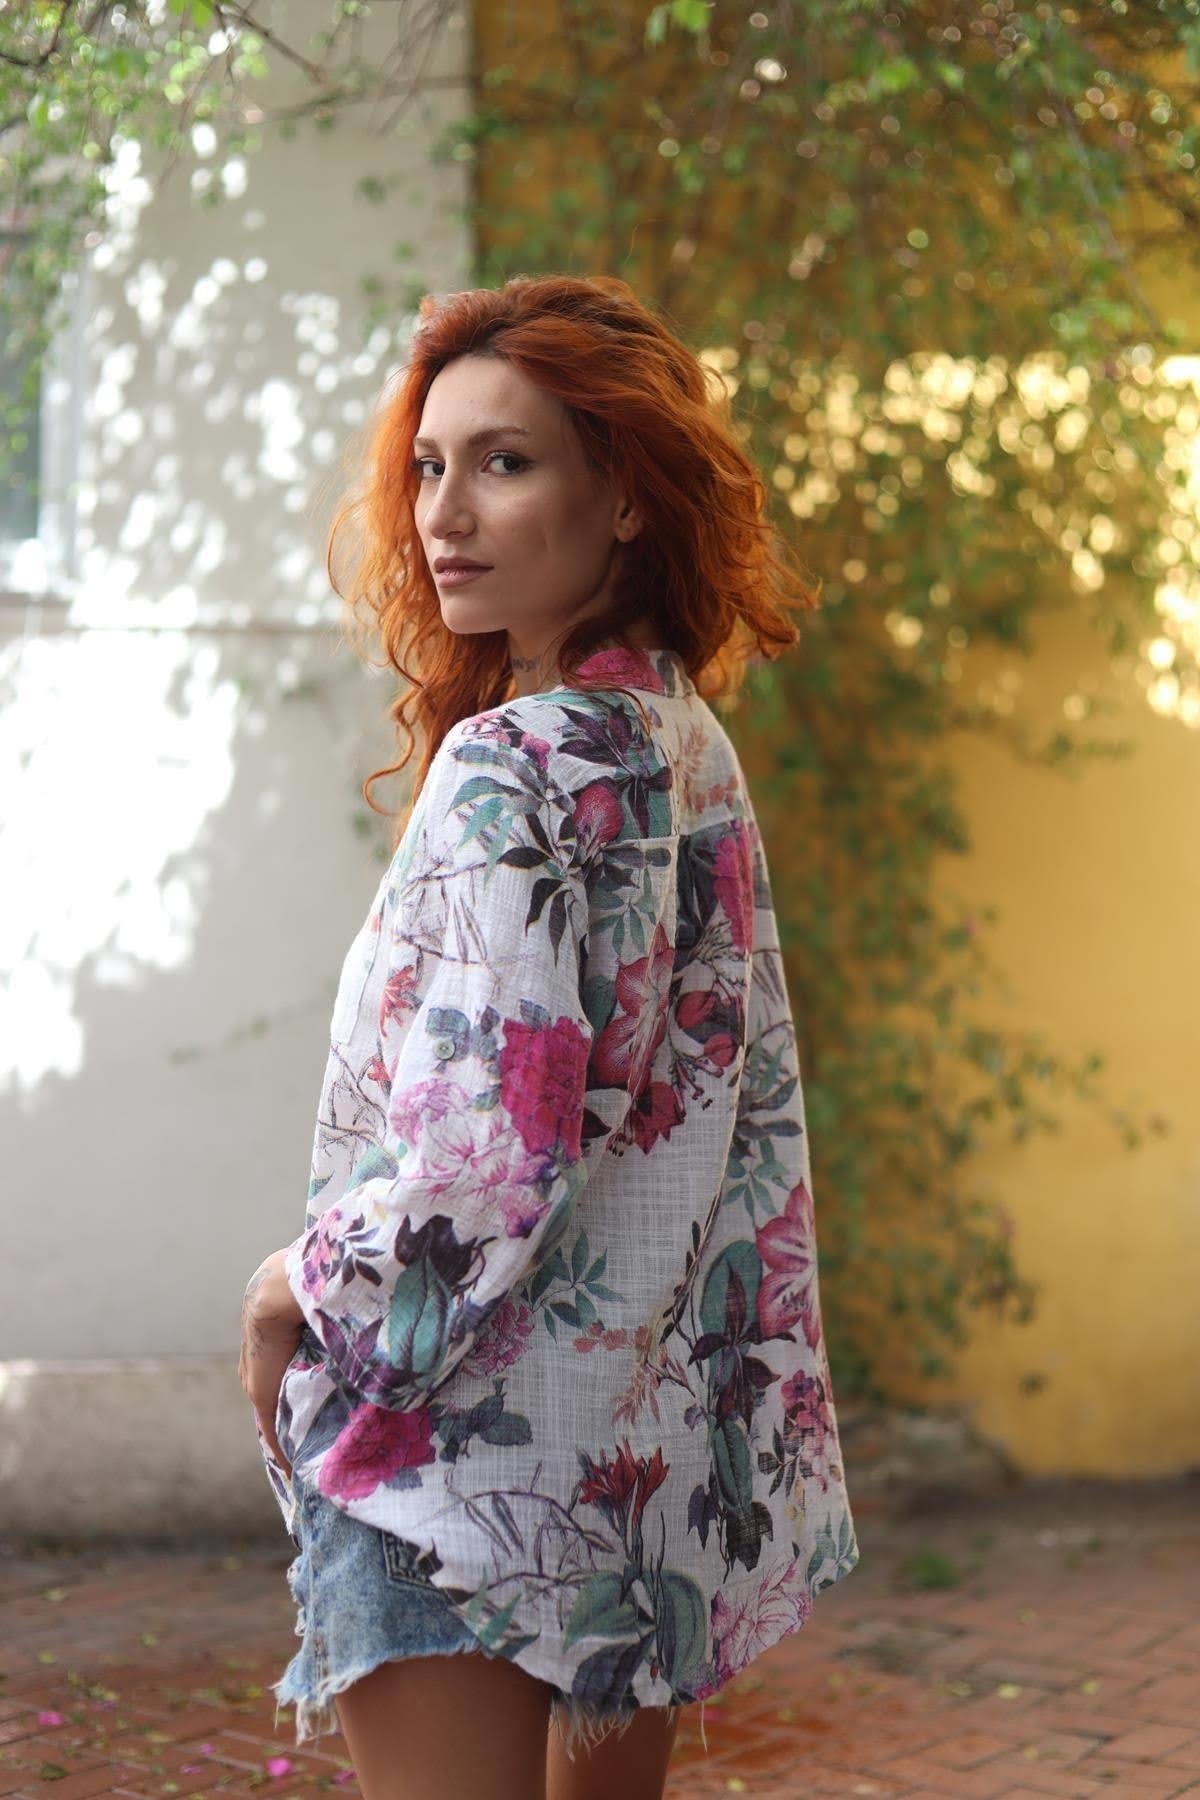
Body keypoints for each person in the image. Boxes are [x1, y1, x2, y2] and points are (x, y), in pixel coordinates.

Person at [239, 272, 860, 1800]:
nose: (445, 515)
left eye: (504, 463)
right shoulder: (682, 747)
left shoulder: (511, 766)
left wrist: (296, 1288)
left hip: (461, 1470)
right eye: (429, 467)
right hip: (640, 1463)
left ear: (627, 495)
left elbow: (482, 1156)